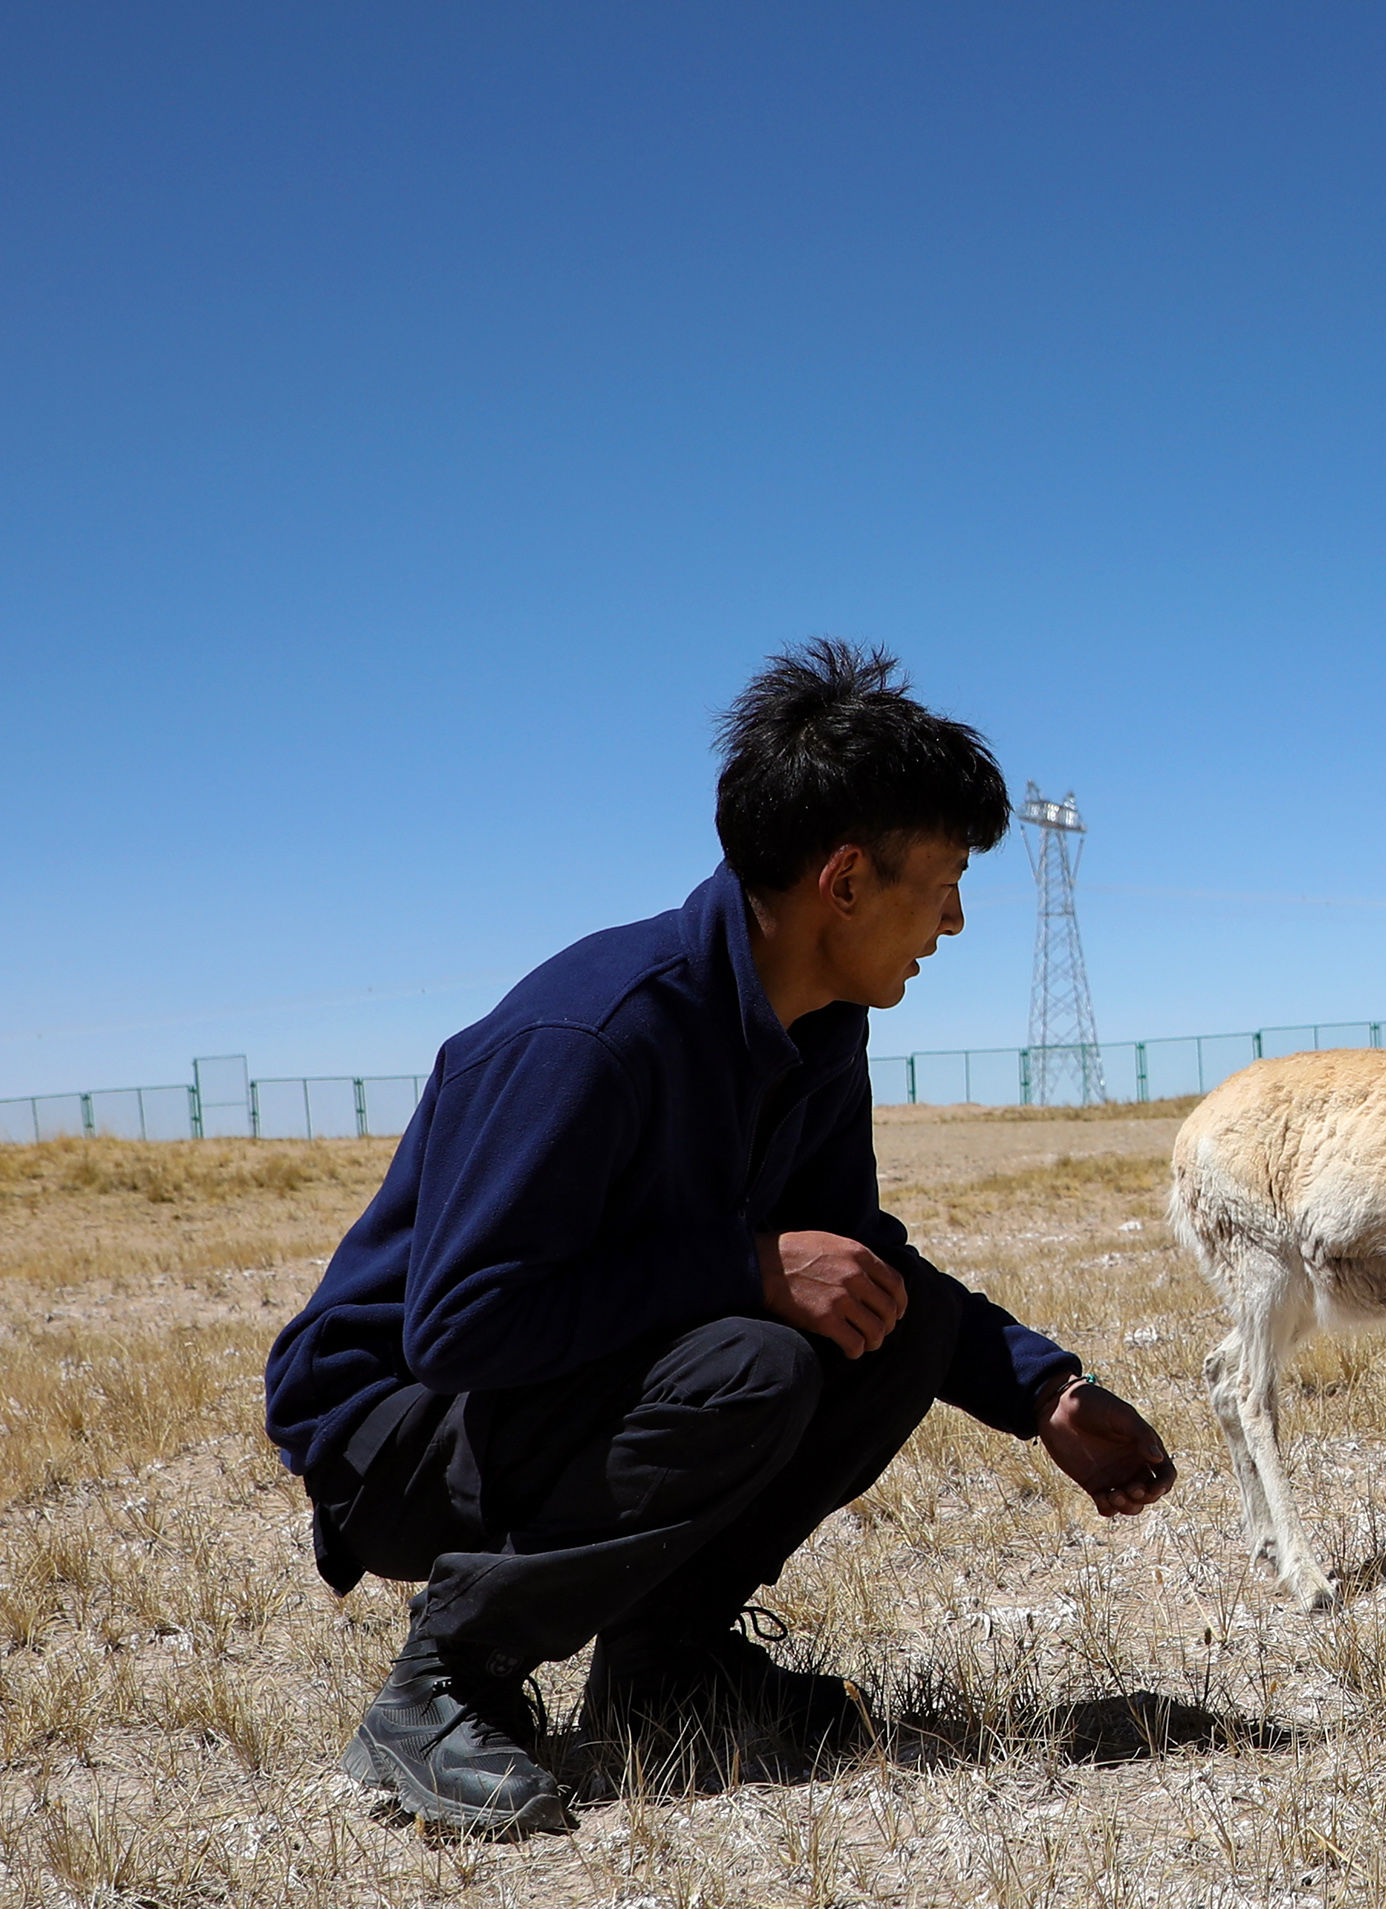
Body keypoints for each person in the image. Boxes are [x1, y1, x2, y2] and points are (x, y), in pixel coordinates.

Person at [264, 641, 1177, 1835]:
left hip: (546, 1399)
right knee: (760, 1358)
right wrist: (744, 1268)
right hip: (396, 1433)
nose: (953, 920)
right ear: (843, 880)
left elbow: (853, 1258)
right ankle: (445, 1683)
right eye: (942, 881)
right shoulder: (590, 1035)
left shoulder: (819, 1028)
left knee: (881, 1319)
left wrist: (1043, 1390)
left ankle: (666, 1669)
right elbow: (459, 1324)